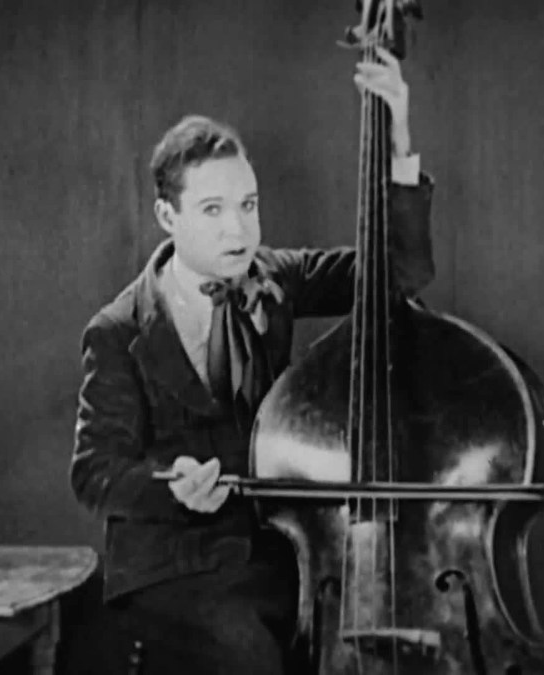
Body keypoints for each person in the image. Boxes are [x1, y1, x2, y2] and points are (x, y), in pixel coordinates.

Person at [69, 47, 434, 674]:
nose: (238, 230)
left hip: (277, 550)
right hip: (173, 566)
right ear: (167, 216)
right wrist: (172, 486)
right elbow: (94, 473)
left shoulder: (275, 277)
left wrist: (397, 135)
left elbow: (396, 273)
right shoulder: (116, 331)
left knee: (365, 633)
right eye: (212, 210)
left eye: (249, 205)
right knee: (250, 654)